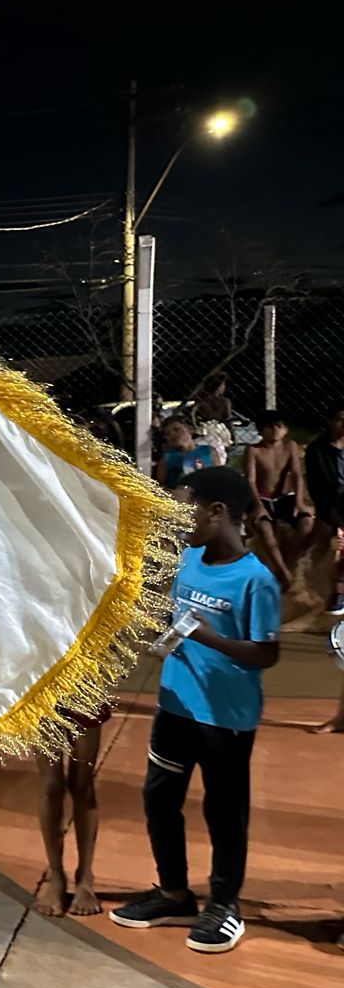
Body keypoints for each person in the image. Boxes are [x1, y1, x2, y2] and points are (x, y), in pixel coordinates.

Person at [109, 466, 280, 954]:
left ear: (217, 511)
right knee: (159, 799)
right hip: (175, 703)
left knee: (223, 810)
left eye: (187, 510)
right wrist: (156, 625)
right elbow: (174, 617)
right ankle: (172, 892)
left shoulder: (255, 580)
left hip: (225, 717)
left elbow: (266, 654)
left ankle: (224, 905)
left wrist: (208, 637)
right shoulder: (188, 560)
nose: (180, 519)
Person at [32, 707, 109, 917]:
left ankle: (85, 877)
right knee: (51, 786)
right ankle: (56, 875)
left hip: (82, 682)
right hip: (40, 684)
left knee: (83, 782)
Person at [244, 411, 316, 590]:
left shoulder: (290, 446)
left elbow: (297, 475)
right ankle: (282, 571)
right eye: (270, 426)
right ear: (261, 431)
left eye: (280, 426)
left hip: (285, 496)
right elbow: (250, 480)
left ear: (286, 429)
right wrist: (259, 506)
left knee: (307, 522)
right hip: (263, 497)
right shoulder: (253, 450)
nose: (276, 430)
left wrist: (299, 502)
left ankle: (288, 563)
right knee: (264, 528)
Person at [304, 406, 344, 617]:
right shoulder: (317, 450)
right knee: (336, 542)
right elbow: (316, 487)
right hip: (333, 507)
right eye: (339, 419)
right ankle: (337, 592)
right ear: (330, 422)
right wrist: (327, 514)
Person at [154, 416, 218, 492]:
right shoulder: (166, 459)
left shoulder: (209, 451)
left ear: (190, 429)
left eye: (176, 429)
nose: (172, 434)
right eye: (167, 434)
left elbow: (219, 476)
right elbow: (159, 487)